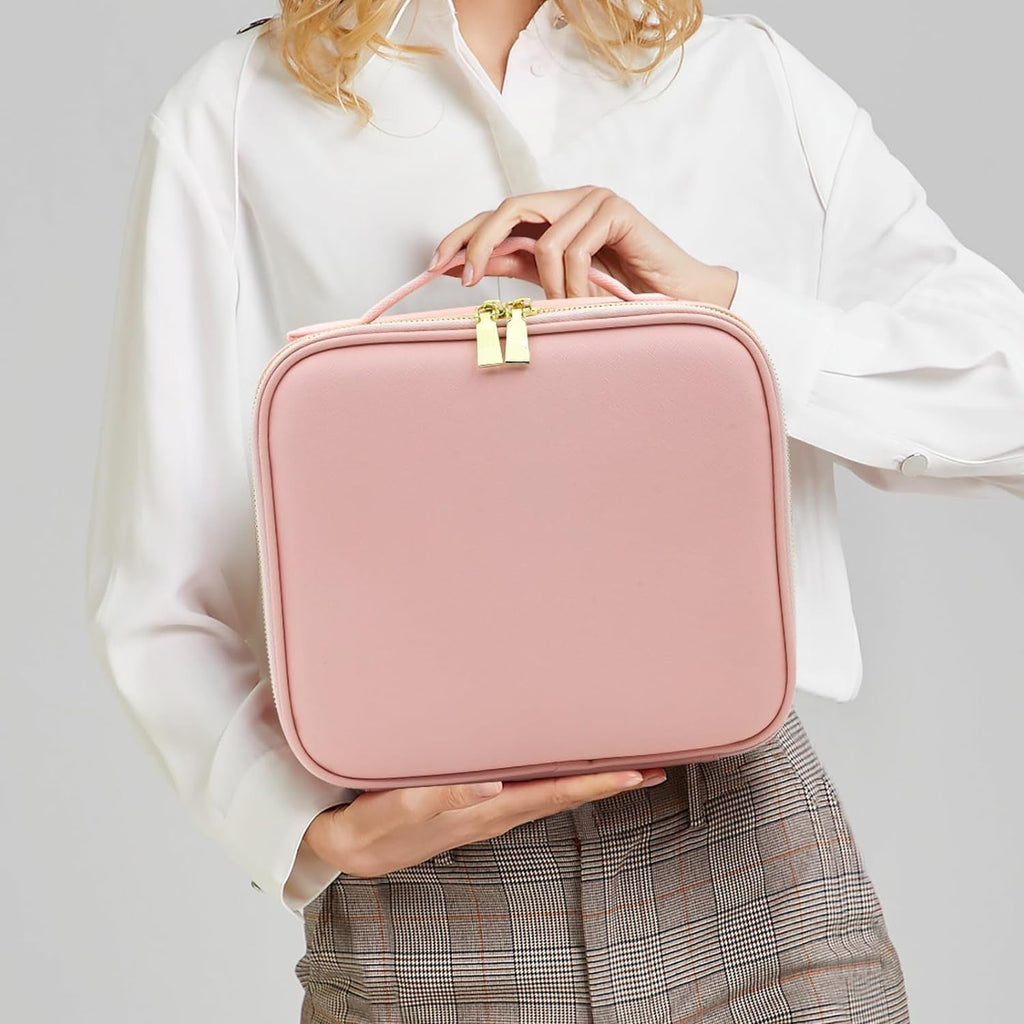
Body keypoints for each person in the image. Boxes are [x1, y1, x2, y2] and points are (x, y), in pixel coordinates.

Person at [84, 2, 1024, 1021]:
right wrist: (301, 827)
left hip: (746, 842)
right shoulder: (237, 112)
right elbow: (160, 568)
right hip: (428, 884)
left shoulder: (741, 78)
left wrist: (719, 306)